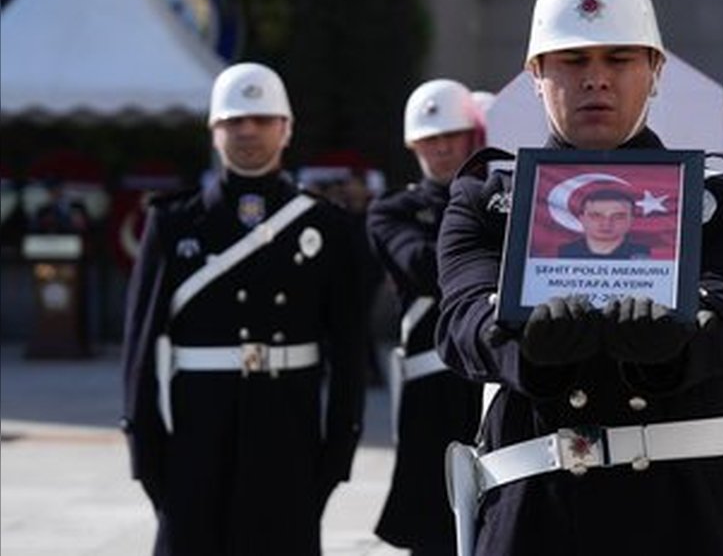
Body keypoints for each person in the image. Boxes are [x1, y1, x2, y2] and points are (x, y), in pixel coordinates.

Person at [436, 0, 723, 556]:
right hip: (534, 516)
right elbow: (461, 316)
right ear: (536, 74)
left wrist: (676, 342)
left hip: (678, 514)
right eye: (573, 61)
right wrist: (526, 346)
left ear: (655, 72)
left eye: (619, 60)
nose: (596, 79)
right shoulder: (486, 199)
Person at [120, 62, 367, 556]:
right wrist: (148, 457)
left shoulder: (326, 225)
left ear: (287, 128)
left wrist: (336, 453)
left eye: (262, 118)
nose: (248, 130)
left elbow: (348, 352)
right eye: (234, 120)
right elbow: (140, 351)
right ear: (214, 131)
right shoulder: (173, 223)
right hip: (195, 442)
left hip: (288, 437)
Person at [370, 78, 485, 555]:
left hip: (490, 381)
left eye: (450, 136)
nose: (440, 148)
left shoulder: (500, 201)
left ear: (471, 137)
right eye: (429, 139)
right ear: (413, 144)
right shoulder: (392, 212)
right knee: (433, 528)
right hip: (432, 391)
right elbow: (426, 268)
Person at [557, 187, 651, 259]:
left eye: (618, 217)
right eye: (596, 216)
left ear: (631, 220)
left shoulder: (646, 254)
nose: (606, 224)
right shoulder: (563, 253)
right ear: (582, 219)